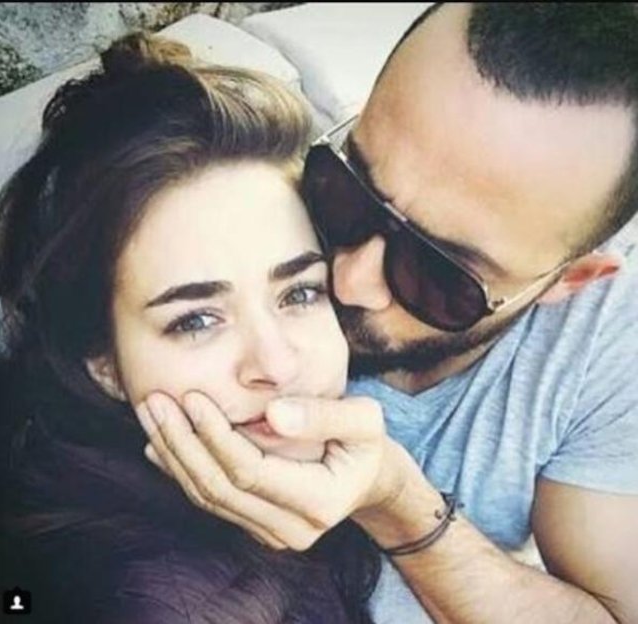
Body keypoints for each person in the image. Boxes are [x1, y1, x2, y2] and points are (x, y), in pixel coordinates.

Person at [132, 4, 638, 623]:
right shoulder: (250, 178)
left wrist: (396, 504)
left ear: (571, 280)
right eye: (348, 189)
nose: (350, 280)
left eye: (439, 274)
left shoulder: (609, 345)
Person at [0, 33, 381, 623]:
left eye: (300, 292)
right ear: (104, 363)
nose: (277, 365)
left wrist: (390, 496)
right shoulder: (171, 603)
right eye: (197, 320)